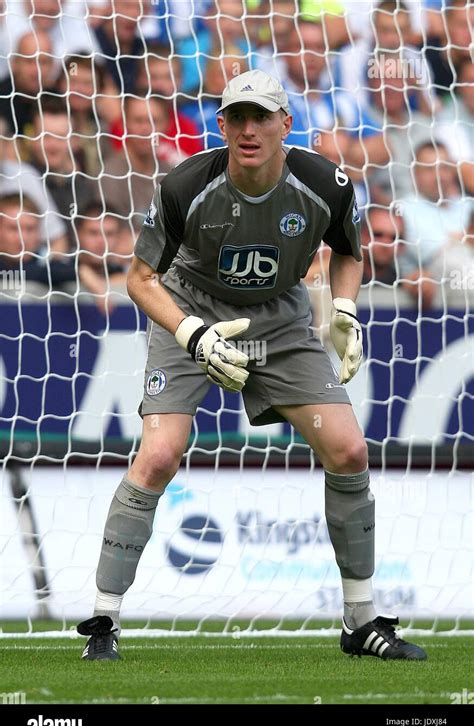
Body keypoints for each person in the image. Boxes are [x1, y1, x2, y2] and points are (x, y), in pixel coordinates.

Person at [77, 69, 427, 662]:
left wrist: (343, 308)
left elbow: (348, 252)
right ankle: (104, 621)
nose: (248, 129)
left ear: (285, 125)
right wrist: (192, 334)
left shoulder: (326, 183)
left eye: (261, 116)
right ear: (220, 125)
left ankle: (361, 621)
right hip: (189, 309)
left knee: (349, 450)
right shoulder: (186, 184)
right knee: (159, 455)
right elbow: (139, 280)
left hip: (281, 316)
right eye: (236, 117)